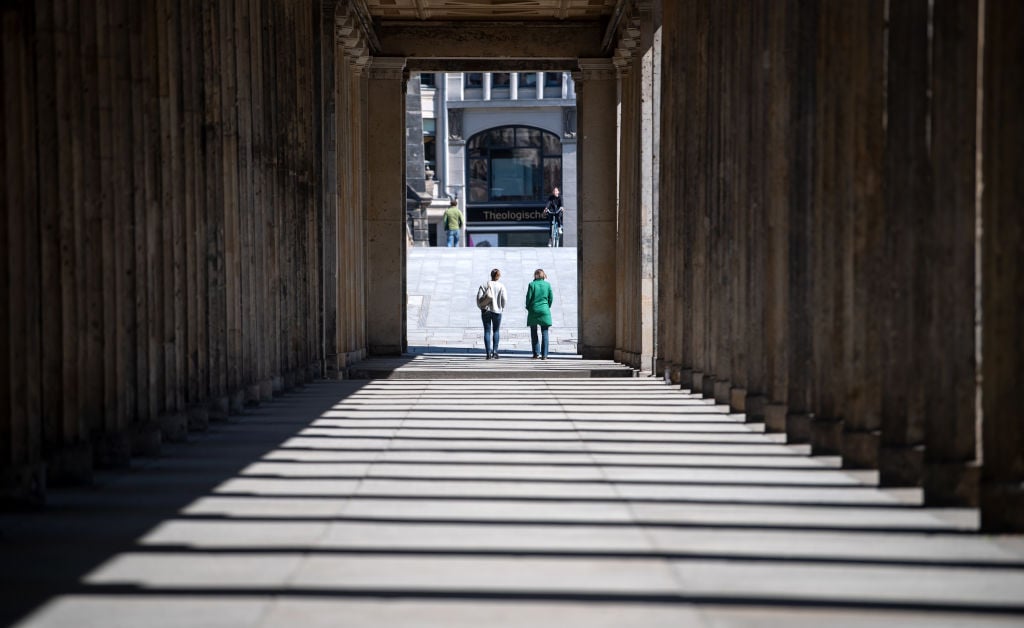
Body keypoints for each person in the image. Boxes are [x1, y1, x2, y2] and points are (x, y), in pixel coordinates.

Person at [525, 268, 553, 359]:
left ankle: (536, 353)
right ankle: (544, 355)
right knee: (545, 332)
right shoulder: (548, 285)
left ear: (535, 275)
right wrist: (547, 306)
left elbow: (528, 298)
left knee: (534, 332)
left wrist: (528, 307)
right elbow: (551, 298)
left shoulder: (532, 285)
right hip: (544, 309)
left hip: (534, 310)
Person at [480, 268, 508, 359]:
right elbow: (504, 299)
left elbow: (479, 298)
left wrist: (482, 307)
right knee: (496, 331)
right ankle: (495, 352)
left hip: (486, 310)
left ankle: (488, 353)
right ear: (499, 276)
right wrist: (502, 307)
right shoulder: (501, 286)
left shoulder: (484, 284)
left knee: (487, 331)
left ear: (491, 275)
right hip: (497, 311)